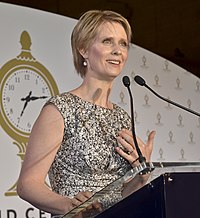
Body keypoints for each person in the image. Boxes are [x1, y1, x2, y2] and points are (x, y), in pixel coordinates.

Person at [17, 10, 156, 217]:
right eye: (107, 41)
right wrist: (68, 205)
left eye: (123, 43)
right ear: (83, 49)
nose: (117, 50)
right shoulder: (60, 109)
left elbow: (119, 196)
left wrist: (140, 176)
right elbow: (27, 184)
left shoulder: (122, 118)